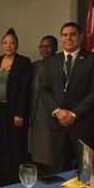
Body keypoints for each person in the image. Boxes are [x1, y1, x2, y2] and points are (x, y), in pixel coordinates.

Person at [40, 22, 94, 173]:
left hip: (84, 125)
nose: (68, 38)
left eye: (72, 34)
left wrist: (73, 114)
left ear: (80, 36)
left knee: (88, 171)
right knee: (59, 170)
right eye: (65, 35)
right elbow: (44, 90)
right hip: (58, 124)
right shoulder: (51, 61)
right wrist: (58, 111)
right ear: (61, 37)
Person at [0, 28, 32, 186]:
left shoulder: (23, 62)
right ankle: (4, 181)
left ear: (17, 45)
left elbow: (25, 89)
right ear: (1, 45)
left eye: (12, 43)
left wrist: (20, 113)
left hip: (16, 112)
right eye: (6, 43)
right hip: (0, 110)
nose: (9, 45)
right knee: (4, 146)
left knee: (17, 147)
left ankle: (17, 182)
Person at [29, 35, 58, 176]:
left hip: (51, 115)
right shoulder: (35, 65)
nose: (44, 49)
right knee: (38, 153)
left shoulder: (60, 65)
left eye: (48, 46)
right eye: (41, 46)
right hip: (35, 115)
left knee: (50, 153)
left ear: (56, 48)